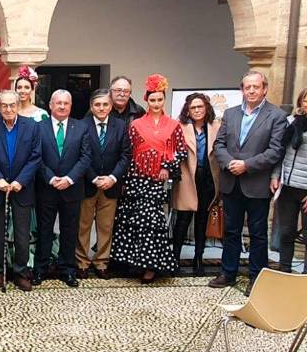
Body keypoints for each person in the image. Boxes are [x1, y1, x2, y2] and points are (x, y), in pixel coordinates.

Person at [210, 71, 287, 295]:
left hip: (256, 183)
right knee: (231, 231)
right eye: (247, 87)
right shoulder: (231, 113)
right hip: (231, 181)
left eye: (256, 87)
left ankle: (256, 276)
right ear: (241, 90)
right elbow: (219, 144)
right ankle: (228, 272)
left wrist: (246, 165)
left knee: (257, 233)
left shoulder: (277, 116)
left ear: (264, 89)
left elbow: (275, 151)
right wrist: (230, 163)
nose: (251, 91)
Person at [111, 74, 187, 284]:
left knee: (151, 223)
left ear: (164, 100)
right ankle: (133, 263)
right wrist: (125, 179)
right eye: (152, 100)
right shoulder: (135, 124)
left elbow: (180, 152)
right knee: (131, 220)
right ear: (147, 101)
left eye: (159, 100)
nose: (155, 104)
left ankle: (151, 266)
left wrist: (166, 166)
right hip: (136, 177)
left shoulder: (173, 125)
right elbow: (129, 151)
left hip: (156, 180)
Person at [0, 90, 41, 292]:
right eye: (4, 105)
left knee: (22, 235)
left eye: (12, 105)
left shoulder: (31, 126)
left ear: (18, 105)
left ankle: (21, 272)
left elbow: (35, 156)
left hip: (21, 189)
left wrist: (20, 181)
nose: (8, 109)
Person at [34, 89, 92, 288]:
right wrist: (50, 178)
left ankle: (67, 269)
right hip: (46, 188)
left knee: (70, 230)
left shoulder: (82, 127)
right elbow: (36, 157)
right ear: (50, 105)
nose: (62, 106)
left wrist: (69, 178)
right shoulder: (39, 127)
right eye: (58, 103)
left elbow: (86, 158)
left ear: (70, 106)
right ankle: (40, 268)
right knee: (44, 230)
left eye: (66, 103)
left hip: (72, 188)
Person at [76, 89, 131, 280]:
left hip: (111, 185)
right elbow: (81, 155)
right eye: (97, 105)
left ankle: (101, 262)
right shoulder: (81, 126)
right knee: (82, 226)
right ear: (91, 107)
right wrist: (93, 177)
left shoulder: (121, 125)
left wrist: (112, 178)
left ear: (110, 106)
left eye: (105, 104)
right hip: (87, 183)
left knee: (105, 226)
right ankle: (82, 262)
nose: (101, 108)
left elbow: (125, 156)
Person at [171, 93, 221, 276]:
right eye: (193, 107)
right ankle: (174, 259)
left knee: (202, 220)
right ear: (187, 110)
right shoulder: (180, 126)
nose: (197, 110)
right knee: (183, 220)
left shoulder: (216, 126)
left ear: (206, 108)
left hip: (208, 179)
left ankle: (198, 258)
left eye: (200, 106)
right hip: (187, 178)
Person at [272, 87, 307, 274]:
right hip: (288, 187)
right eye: (306, 100)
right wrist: (276, 176)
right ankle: (284, 271)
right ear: (301, 102)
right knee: (286, 232)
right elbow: (281, 153)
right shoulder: (292, 123)